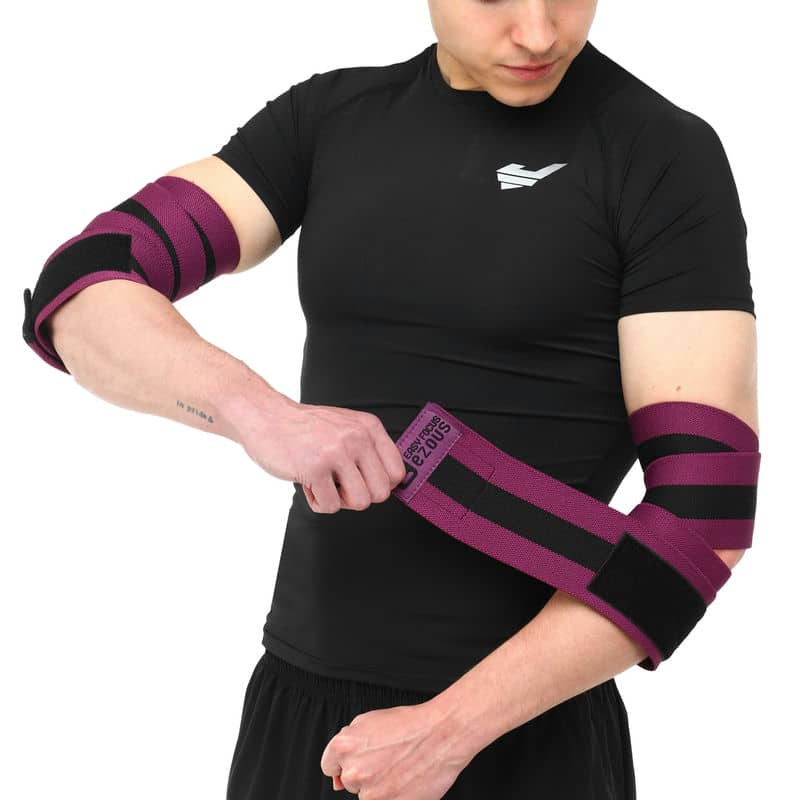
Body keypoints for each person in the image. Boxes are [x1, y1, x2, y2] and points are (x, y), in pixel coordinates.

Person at [22, 1, 759, 798]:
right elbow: (82, 288)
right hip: (300, 713)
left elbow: (706, 514)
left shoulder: (659, 152)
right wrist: (258, 413)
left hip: (520, 731)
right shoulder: (330, 120)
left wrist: (448, 731)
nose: (540, 32)